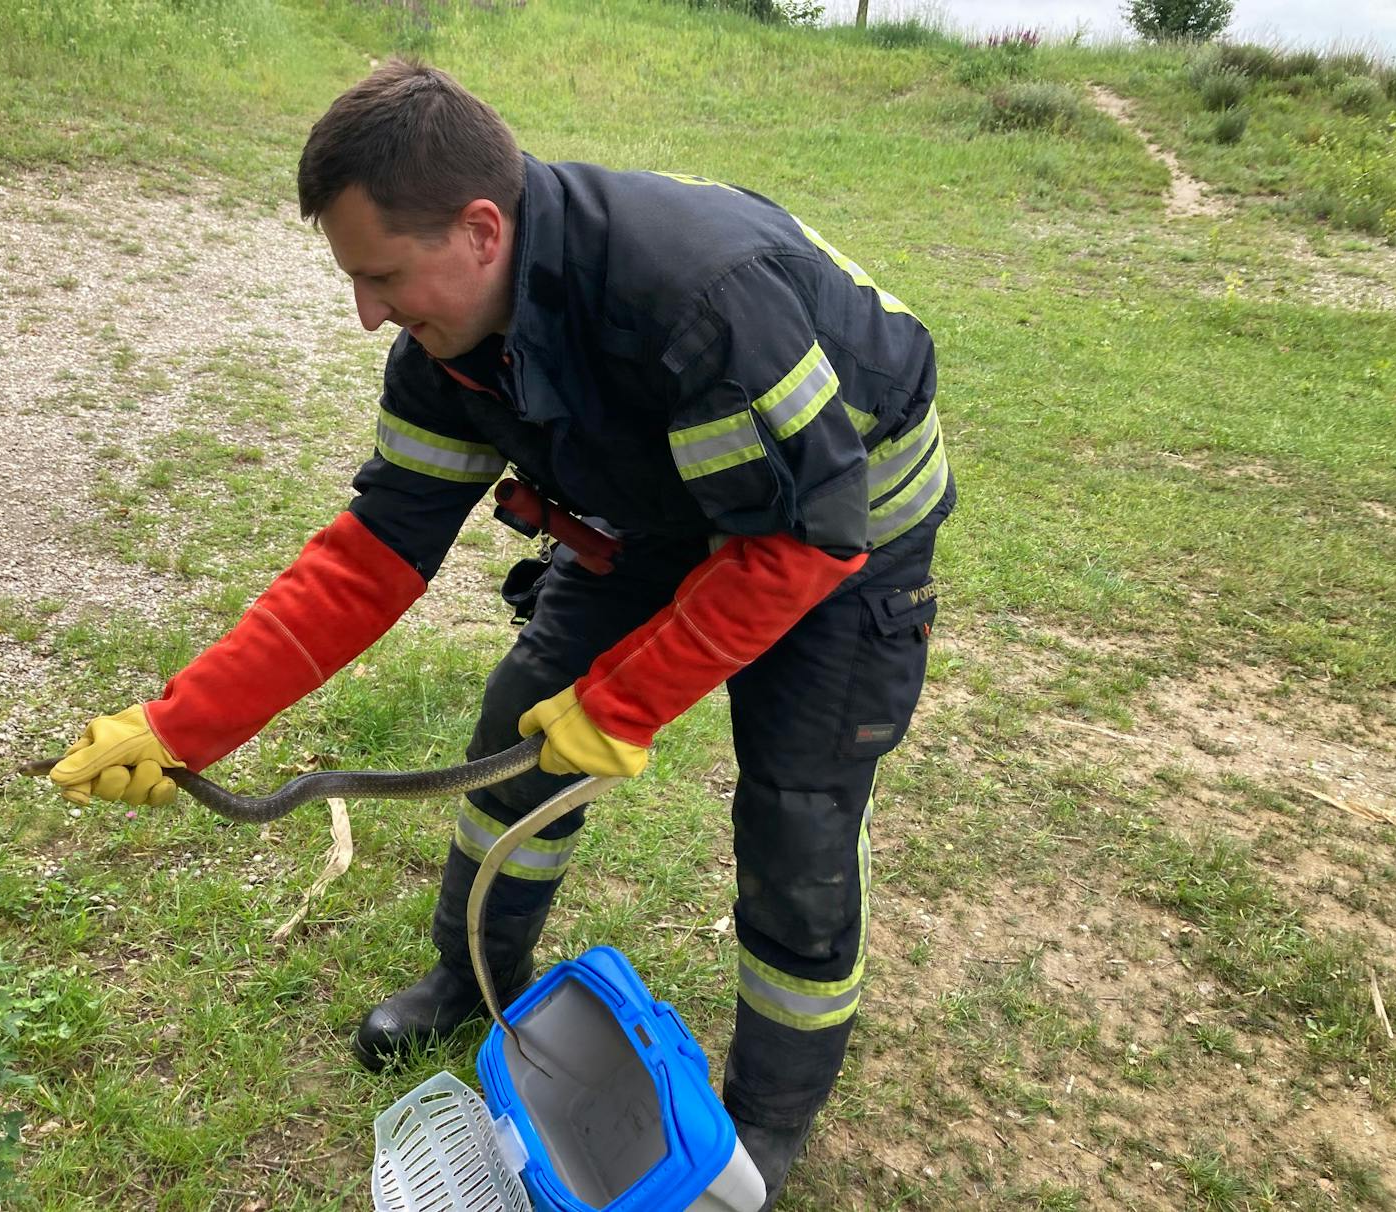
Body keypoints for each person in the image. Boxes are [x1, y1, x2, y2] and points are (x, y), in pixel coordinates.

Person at [47, 59, 953, 1209]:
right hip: (658, 508)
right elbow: (373, 554)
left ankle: (766, 1110)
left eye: (381, 276)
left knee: (797, 817)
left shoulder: (697, 298)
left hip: (842, 526)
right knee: (515, 722)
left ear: (482, 228)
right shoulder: (446, 344)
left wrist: (623, 704)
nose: (368, 312)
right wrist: (182, 725)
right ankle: (470, 978)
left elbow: (799, 543)